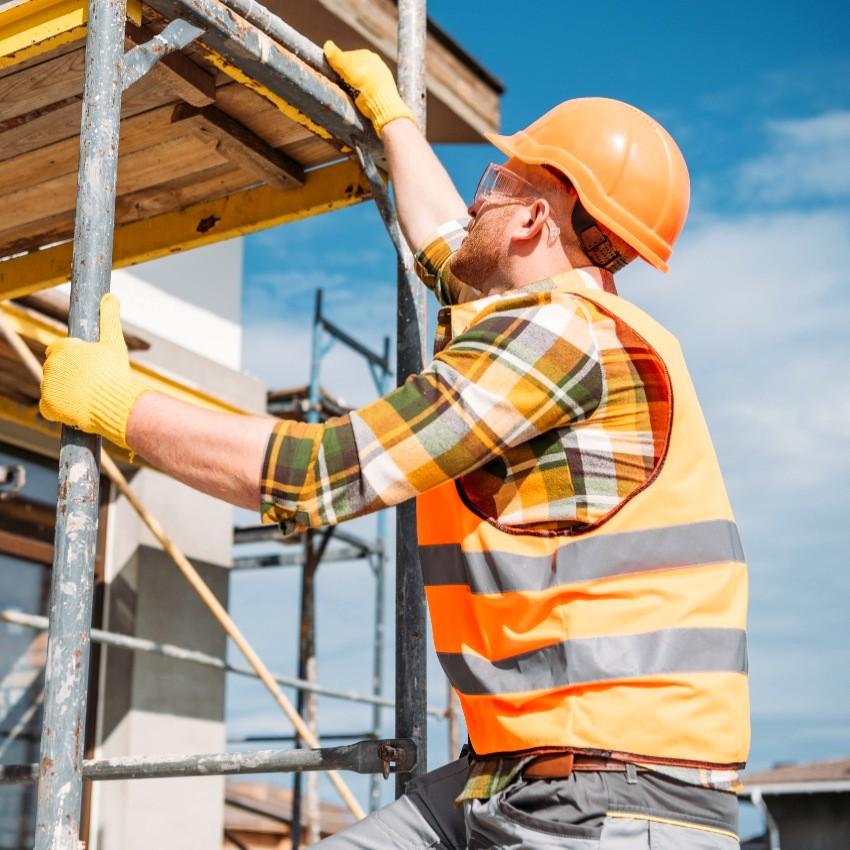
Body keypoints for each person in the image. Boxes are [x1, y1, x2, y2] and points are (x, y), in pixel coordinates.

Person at [40, 40, 749, 850]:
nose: (477, 202)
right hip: (527, 773)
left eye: (495, 185)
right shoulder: (575, 323)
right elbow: (452, 249)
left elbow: (313, 476)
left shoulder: (558, 335)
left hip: (608, 804)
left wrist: (115, 401)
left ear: (531, 220)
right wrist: (394, 120)